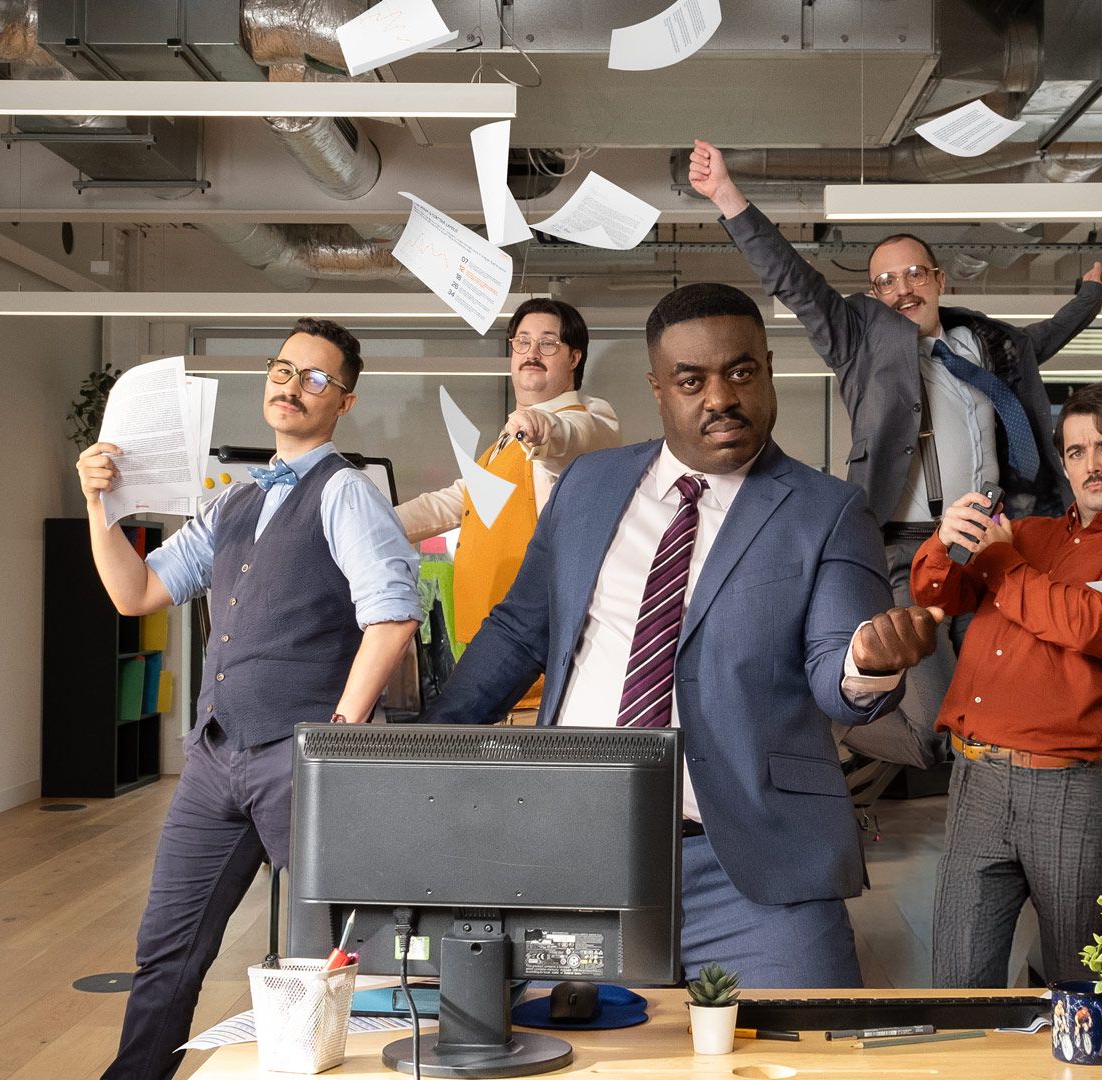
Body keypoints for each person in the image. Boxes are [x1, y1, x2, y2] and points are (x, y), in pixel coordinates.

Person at [427, 283, 943, 987]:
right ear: (659, 389)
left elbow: (837, 671)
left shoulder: (826, 509)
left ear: (766, 369)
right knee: (559, 1054)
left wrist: (867, 661)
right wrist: (422, 747)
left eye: (740, 372)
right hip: (577, 857)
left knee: (808, 1060)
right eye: (691, 380)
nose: (720, 398)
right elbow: (520, 631)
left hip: (750, 867)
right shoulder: (589, 486)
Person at [686, 138, 1102, 770]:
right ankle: (818, 706)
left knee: (1001, 701)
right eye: (884, 281)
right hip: (906, 547)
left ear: (941, 279)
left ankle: (992, 820)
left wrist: (1091, 297)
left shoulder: (991, 347)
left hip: (990, 546)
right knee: (935, 731)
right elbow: (794, 281)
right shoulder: (860, 343)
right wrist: (726, 195)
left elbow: (1050, 334)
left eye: (914, 273)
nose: (901, 288)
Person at [75, 318, 422, 1080]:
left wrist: (335, 735)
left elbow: (392, 617)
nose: (291, 385)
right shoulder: (232, 504)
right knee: (167, 947)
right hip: (216, 755)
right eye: (282, 369)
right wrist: (100, 510)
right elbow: (137, 593)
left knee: (337, 958)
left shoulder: (346, 495)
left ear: (345, 401)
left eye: (315, 378)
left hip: (298, 759)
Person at [909, 382, 1102, 988]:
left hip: (1063, 790)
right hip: (975, 779)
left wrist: (1003, 560)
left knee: (1079, 989)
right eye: (1078, 451)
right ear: (1064, 462)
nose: (1092, 465)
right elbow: (937, 592)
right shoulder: (1031, 534)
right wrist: (944, 537)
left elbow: (1083, 625)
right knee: (956, 982)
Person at [396, 298, 620, 711]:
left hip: (537, 661)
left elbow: (574, 436)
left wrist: (542, 426)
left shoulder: (589, 417)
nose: (532, 353)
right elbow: (457, 500)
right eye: (523, 342)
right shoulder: (503, 443)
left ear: (575, 356)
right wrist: (374, 524)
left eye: (548, 343)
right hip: (486, 652)